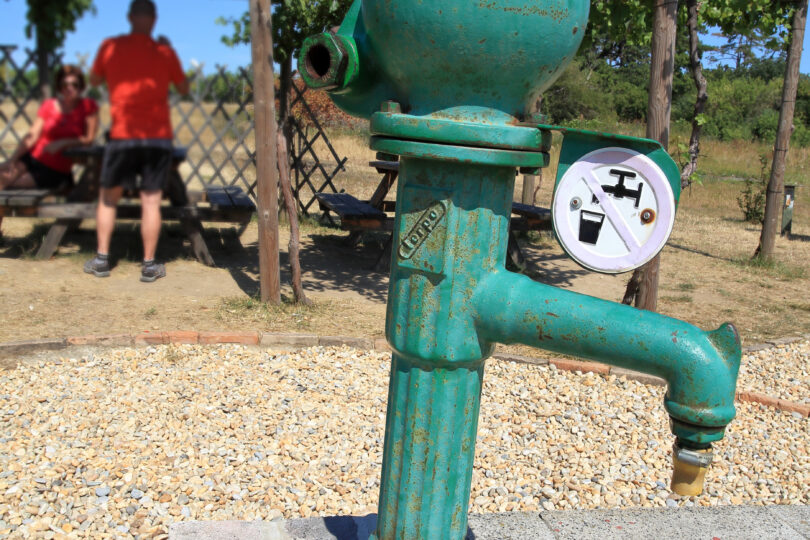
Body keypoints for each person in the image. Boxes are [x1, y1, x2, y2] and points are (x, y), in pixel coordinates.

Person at [84, 0, 189, 282]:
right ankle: (149, 264)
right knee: (151, 202)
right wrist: (168, 50)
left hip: (122, 136)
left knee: (108, 200)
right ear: (153, 20)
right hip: (157, 138)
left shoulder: (109, 46)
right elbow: (183, 87)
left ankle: (103, 259)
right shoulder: (164, 52)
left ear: (130, 17)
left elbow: (93, 80)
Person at [0, 65, 99, 192]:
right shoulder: (49, 105)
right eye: (65, 85)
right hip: (32, 158)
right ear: (59, 87)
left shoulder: (87, 106)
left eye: (74, 84)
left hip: (55, 169)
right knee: (2, 178)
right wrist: (12, 160)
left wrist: (63, 142)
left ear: (81, 87)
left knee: (11, 185)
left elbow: (89, 139)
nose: (69, 88)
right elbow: (32, 136)